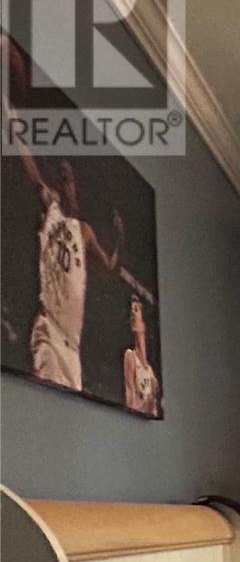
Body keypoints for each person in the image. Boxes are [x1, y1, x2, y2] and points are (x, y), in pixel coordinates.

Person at [29, 160, 124, 391]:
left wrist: (120, 237)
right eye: (62, 179)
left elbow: (109, 265)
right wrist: (13, 129)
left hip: (72, 343)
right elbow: (33, 173)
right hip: (51, 328)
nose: (67, 186)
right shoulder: (52, 210)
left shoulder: (84, 230)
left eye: (70, 180)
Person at [122, 296, 160, 416]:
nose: (133, 313)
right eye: (131, 311)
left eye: (137, 309)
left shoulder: (150, 371)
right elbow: (131, 401)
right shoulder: (130, 356)